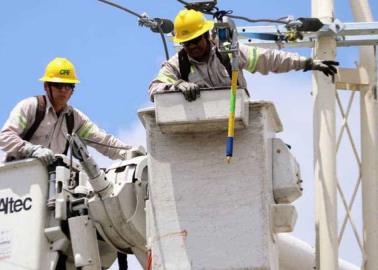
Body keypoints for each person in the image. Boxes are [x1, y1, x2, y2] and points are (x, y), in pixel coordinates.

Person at [149, 9, 339, 101]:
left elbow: (270, 59)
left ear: (206, 35)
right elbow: (154, 89)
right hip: (200, 129)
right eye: (187, 43)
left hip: (236, 120)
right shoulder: (178, 64)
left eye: (196, 40)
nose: (192, 46)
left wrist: (308, 63)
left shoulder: (229, 53)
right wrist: (177, 85)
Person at [0, 57, 139, 165]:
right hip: (20, 181)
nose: (64, 90)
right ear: (46, 86)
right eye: (58, 85)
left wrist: (130, 153)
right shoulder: (31, 107)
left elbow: (103, 141)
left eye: (69, 86)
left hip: (50, 185)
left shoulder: (74, 119)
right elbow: (5, 136)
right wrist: (31, 150)